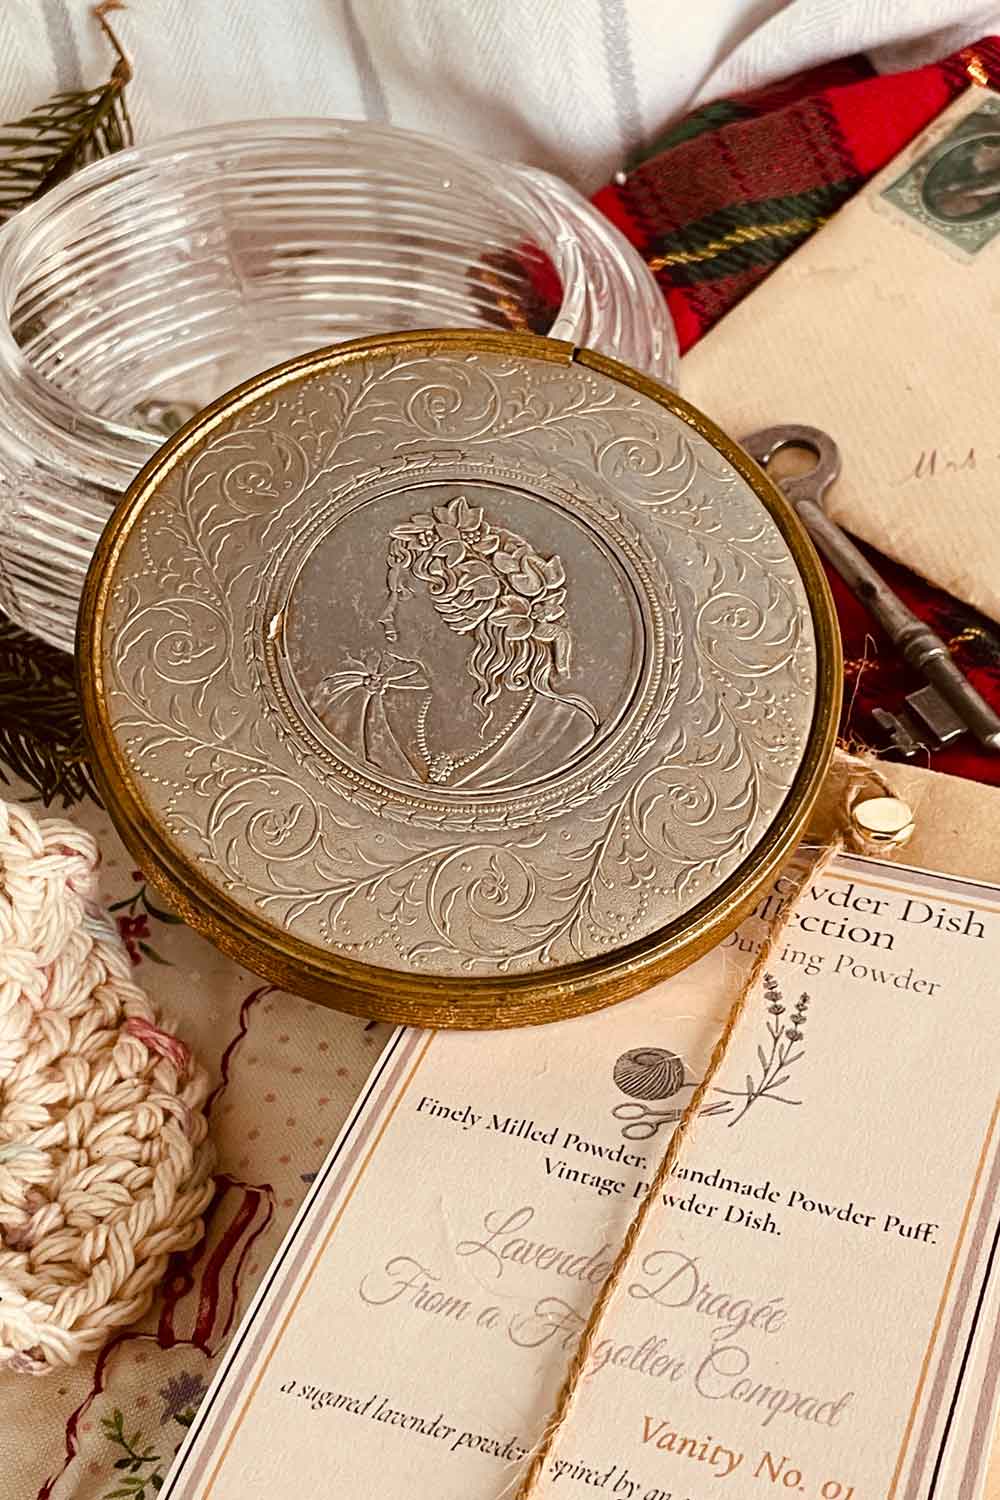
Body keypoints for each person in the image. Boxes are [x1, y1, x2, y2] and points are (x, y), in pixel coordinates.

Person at [313, 494, 599, 790]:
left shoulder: (563, 732)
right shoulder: (364, 707)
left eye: (404, 595)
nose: (385, 615)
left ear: (467, 607)